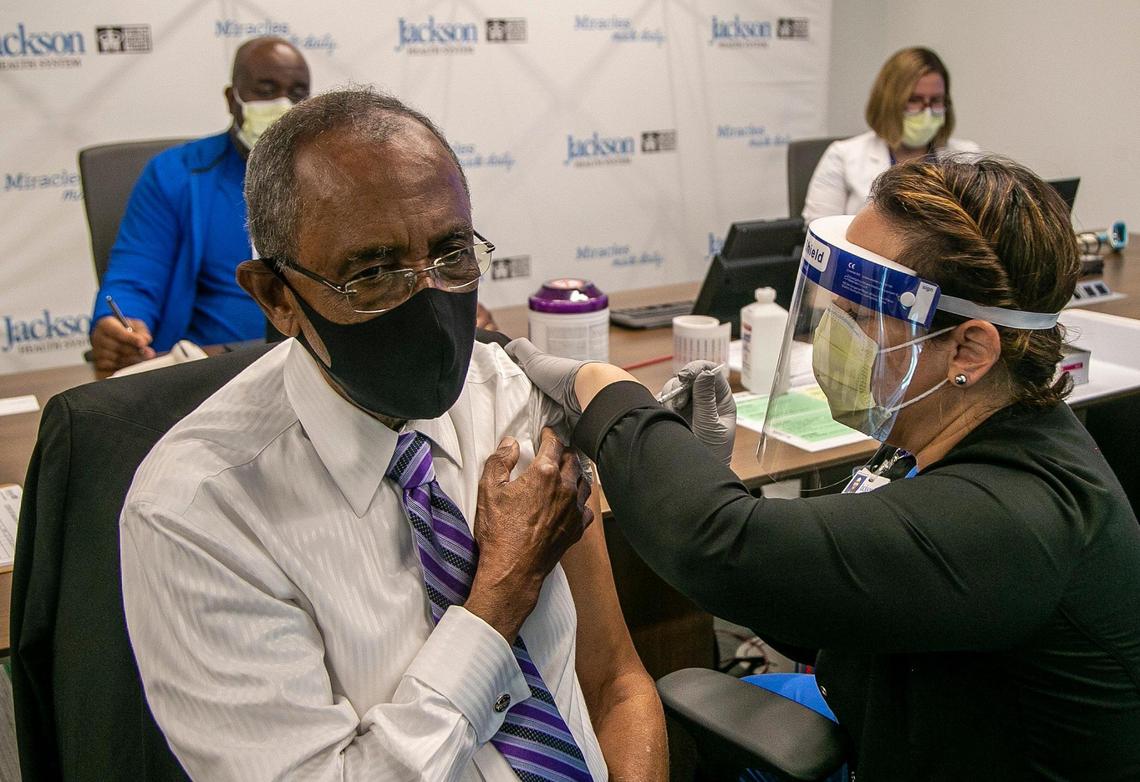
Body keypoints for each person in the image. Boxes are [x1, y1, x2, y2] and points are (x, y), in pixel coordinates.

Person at [511, 156, 1140, 779]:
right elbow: (818, 600)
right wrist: (700, 476)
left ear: (969, 348)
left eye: (862, 315)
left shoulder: (1018, 518)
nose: (836, 331)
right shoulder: (951, 443)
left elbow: (722, 547)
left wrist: (607, 392)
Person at [119, 88, 666, 780]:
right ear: (277, 297)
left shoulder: (503, 397)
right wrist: (498, 597)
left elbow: (616, 680)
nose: (430, 299)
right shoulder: (198, 514)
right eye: (373, 273)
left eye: (452, 253)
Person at [88, 36, 311, 375]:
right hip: (206, 376)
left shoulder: (333, 178)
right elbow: (134, 275)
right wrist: (121, 325)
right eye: (265, 90)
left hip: (317, 366)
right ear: (231, 99)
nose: (283, 104)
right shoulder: (175, 174)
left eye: (297, 94)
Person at [801, 46, 980, 223]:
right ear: (889, 102)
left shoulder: (969, 158)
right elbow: (820, 231)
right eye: (914, 100)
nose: (927, 112)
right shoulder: (843, 156)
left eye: (936, 101)